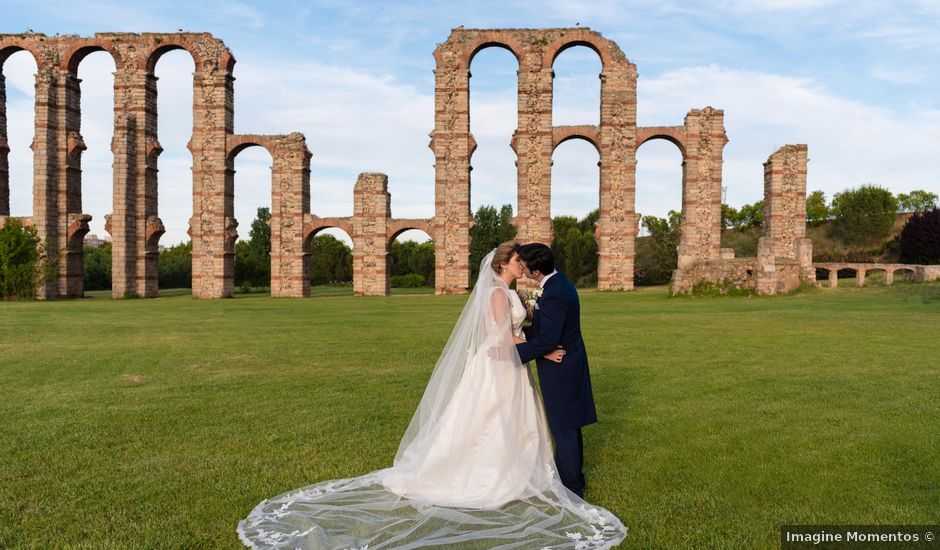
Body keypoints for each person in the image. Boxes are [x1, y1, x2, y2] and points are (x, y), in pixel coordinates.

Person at [237, 241, 626, 549]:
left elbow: (524, 333)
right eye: (518, 261)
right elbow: (503, 338)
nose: (523, 266)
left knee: (517, 419)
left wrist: (538, 345)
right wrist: (539, 347)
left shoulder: (516, 295)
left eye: (525, 262)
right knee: (489, 420)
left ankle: (526, 471)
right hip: (497, 365)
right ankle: (490, 474)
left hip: (511, 364)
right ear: (504, 263)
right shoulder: (496, 295)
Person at [514, 242, 596, 498]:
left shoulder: (554, 293)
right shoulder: (556, 284)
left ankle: (572, 488)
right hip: (567, 362)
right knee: (568, 425)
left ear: (535, 270)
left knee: (564, 427)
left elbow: (549, 341)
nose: (522, 266)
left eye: (524, 262)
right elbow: (546, 330)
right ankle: (572, 479)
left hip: (561, 366)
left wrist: (510, 353)